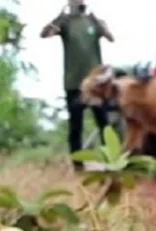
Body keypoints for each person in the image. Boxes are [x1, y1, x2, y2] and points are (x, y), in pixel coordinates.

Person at [40, 0, 114, 171]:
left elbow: (110, 38)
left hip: (96, 84)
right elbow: (44, 34)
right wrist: (58, 16)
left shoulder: (93, 21)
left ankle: (111, 162)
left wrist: (97, 22)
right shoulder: (65, 22)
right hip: (74, 83)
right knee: (75, 126)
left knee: (104, 124)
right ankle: (78, 165)